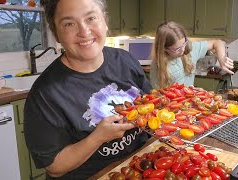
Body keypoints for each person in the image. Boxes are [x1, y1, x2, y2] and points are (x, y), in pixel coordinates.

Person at [24, 0, 152, 179]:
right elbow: (54, 166)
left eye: (91, 18)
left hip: (141, 167)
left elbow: (152, 108)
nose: (84, 32)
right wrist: (97, 138)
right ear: (56, 34)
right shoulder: (45, 94)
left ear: (105, 21)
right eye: (69, 23)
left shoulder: (126, 60)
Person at [150, 21, 234, 89]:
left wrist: (222, 58)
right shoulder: (158, 67)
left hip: (189, 106)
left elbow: (218, 42)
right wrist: (190, 93)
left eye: (184, 44)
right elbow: (160, 98)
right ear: (164, 48)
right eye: (177, 49)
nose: (183, 50)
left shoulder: (191, 50)